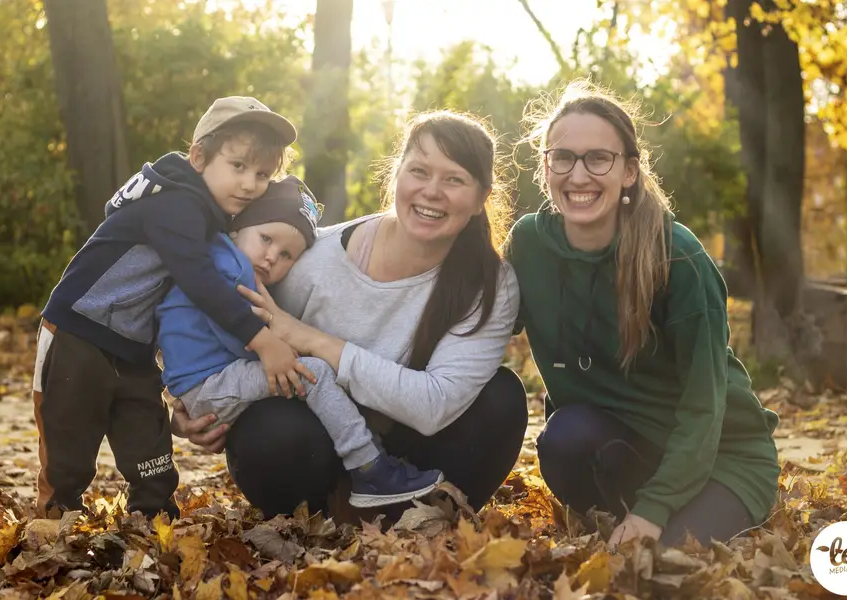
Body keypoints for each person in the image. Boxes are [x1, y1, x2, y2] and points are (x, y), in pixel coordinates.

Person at [171, 110, 528, 519]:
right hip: (313, 456)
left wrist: (314, 341)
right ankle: (319, 521)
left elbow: (435, 406)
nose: (432, 191)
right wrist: (185, 408)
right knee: (271, 431)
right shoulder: (308, 260)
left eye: (454, 179)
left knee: (501, 398)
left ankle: (417, 521)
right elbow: (212, 324)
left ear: (482, 197)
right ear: (396, 175)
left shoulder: (490, 284)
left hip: (409, 461)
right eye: (419, 171)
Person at [505, 80, 780, 547]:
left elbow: (703, 409)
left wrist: (654, 510)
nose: (578, 175)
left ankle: (666, 512)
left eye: (598, 158)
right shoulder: (530, 244)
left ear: (629, 171)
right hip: (625, 448)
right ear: (545, 166)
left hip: (721, 456)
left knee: (667, 560)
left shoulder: (677, 258)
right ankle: (633, 517)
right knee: (563, 440)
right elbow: (476, 327)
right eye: (563, 157)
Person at [32, 96, 305, 519]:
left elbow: (176, 309)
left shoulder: (213, 218)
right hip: (79, 331)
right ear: (199, 157)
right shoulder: (176, 202)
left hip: (134, 347)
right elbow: (197, 281)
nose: (250, 184)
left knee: (149, 442)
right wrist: (262, 339)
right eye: (238, 166)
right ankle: (54, 521)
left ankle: (154, 516)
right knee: (69, 442)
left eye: (263, 174)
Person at [155, 176, 444, 508]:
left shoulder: (217, 258)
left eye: (286, 255)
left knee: (312, 376)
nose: (270, 257)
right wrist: (284, 351)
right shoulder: (229, 273)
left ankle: (370, 455)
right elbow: (237, 337)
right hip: (209, 387)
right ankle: (371, 468)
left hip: (209, 384)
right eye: (265, 239)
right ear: (237, 229)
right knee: (314, 373)